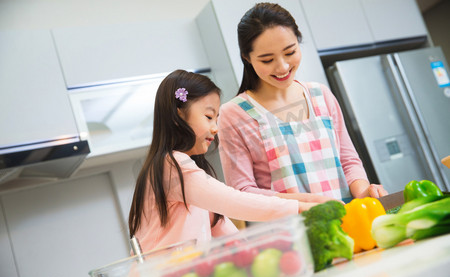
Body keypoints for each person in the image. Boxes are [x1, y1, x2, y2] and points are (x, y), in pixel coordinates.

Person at [128, 69, 330, 252]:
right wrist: (303, 206)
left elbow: (229, 235)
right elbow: (236, 202)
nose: (216, 128)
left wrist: (308, 200)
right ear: (178, 116)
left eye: (216, 119)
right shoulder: (173, 165)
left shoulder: (183, 173)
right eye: (208, 117)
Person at [218, 3, 387, 204]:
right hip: (292, 231)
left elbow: (348, 160)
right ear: (247, 58)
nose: (282, 67)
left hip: (350, 222)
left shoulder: (320, 95)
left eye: (290, 52)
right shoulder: (234, 114)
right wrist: (307, 203)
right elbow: (243, 191)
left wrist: (363, 191)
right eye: (267, 60)